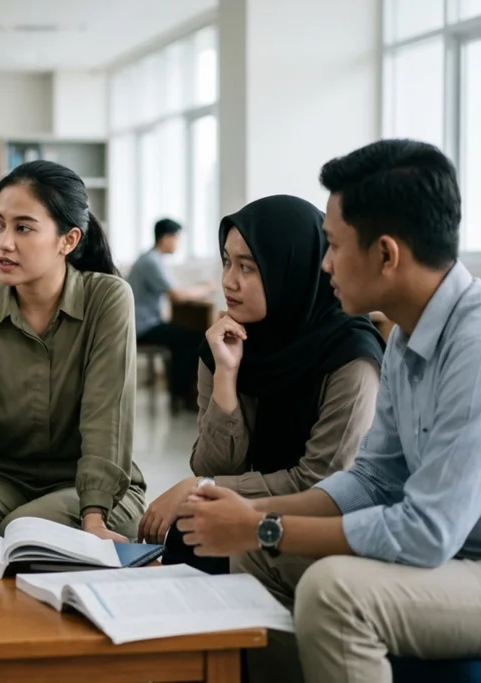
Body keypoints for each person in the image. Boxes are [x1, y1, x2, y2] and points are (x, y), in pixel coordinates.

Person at [175, 139, 481, 683]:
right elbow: (370, 481)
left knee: (332, 591)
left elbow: (426, 532)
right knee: (254, 555)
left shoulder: (472, 344)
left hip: (466, 562)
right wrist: (249, 518)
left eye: (335, 245)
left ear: (386, 254)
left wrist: (265, 526)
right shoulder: (406, 338)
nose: (325, 263)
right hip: (447, 554)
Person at [138, 195, 384, 575]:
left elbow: (321, 482)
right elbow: (210, 464)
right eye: (226, 261)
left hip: (321, 530)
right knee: (190, 533)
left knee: (200, 536)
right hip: (252, 513)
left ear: (292, 269)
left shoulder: (351, 356)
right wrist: (226, 374)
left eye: (248, 267)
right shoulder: (226, 342)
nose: (228, 281)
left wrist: (202, 486)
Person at [0, 160, 147, 541]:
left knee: (26, 530)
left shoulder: (108, 298)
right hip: (4, 476)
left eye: (23, 228)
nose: (3, 242)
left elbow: (107, 419)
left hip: (92, 486)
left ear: (68, 240)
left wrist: (93, 520)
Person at [128, 218, 215, 411]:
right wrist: (207, 288)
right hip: (143, 326)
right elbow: (177, 295)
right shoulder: (150, 262)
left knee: (185, 339)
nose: (178, 244)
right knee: (194, 340)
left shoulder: (152, 259)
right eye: (177, 238)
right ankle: (184, 397)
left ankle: (180, 394)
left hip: (147, 323)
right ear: (165, 238)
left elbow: (176, 290)